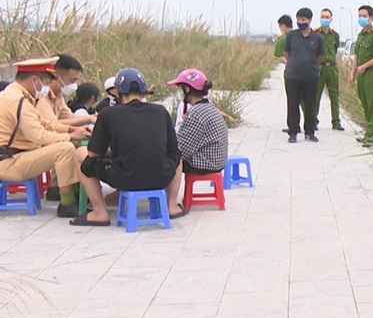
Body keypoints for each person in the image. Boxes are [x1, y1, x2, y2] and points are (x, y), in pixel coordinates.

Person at [71, 68, 184, 226]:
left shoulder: (108, 114)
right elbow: (173, 149)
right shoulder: (160, 111)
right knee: (178, 156)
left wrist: (111, 152)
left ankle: (99, 212)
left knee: (80, 155)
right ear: (143, 91)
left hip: (125, 178)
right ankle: (171, 205)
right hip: (161, 176)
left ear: (117, 92)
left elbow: (93, 153)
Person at [0, 59, 88, 218]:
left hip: (15, 156)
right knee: (65, 148)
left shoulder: (17, 95)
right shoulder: (17, 101)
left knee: (68, 143)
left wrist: (71, 130)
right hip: (9, 161)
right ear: (34, 80)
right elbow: (38, 135)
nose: (45, 89)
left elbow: (45, 124)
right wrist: (68, 136)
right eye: (45, 83)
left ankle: (74, 197)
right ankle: (67, 202)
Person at [167, 68, 229, 177]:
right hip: (217, 161)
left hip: (205, 163)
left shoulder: (197, 112)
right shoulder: (208, 106)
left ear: (186, 89)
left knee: (169, 161)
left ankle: (169, 194)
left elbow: (182, 149)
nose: (178, 91)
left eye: (179, 88)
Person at [282, 7, 325, 143]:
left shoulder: (318, 38)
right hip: (292, 76)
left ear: (310, 20)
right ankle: (293, 132)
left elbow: (320, 56)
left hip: (310, 76)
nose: (301, 22)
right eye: (299, 20)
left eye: (303, 20)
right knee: (292, 104)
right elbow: (286, 53)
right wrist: (294, 63)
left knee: (310, 105)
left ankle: (310, 132)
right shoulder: (291, 36)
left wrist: (310, 64)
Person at [349, 4, 373, 145]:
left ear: (371, 17)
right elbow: (356, 56)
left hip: (372, 74)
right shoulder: (361, 36)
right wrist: (352, 73)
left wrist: (365, 66)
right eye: (360, 16)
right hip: (361, 75)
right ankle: (369, 133)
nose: (362, 18)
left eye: (364, 16)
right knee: (365, 104)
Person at [35, 54, 97, 132]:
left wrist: (93, 117)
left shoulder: (58, 97)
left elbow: (70, 119)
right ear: (56, 77)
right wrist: (89, 119)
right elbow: (50, 125)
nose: (74, 85)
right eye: (72, 80)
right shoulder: (41, 96)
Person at [312, 8, 343, 131]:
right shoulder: (315, 34)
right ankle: (313, 120)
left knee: (334, 96)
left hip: (332, 68)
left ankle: (336, 121)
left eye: (327, 17)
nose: (324, 19)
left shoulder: (334, 35)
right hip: (319, 67)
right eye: (322, 17)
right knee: (316, 96)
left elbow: (334, 50)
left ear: (331, 19)